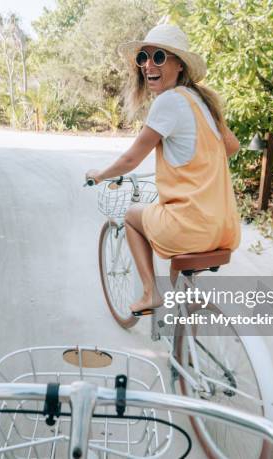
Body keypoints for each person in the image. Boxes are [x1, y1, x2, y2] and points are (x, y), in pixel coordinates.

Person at [85, 24, 241, 316]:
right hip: (222, 225)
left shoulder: (169, 102)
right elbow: (231, 146)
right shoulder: (202, 100)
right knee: (180, 273)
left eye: (158, 57)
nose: (148, 65)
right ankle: (183, 337)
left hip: (190, 226)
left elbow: (131, 160)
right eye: (142, 58)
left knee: (132, 216)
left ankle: (149, 294)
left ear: (178, 64)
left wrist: (100, 174)